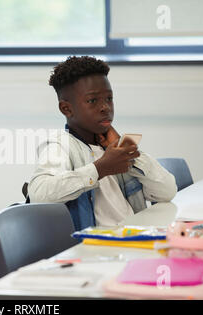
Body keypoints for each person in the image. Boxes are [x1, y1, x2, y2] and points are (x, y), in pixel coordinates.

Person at [27, 56, 177, 230]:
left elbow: (167, 191)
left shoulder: (114, 146)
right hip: (94, 248)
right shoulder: (60, 145)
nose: (105, 107)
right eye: (92, 101)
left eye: (109, 99)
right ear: (66, 109)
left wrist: (127, 150)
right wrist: (99, 169)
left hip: (134, 237)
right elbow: (39, 194)